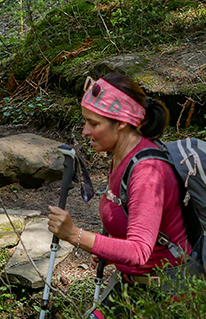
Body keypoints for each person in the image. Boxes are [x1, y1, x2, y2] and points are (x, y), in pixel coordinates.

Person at [46, 72, 192, 296]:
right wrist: (109, 248)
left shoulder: (147, 172)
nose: (85, 131)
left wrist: (73, 234)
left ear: (122, 123)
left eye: (94, 123)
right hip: (133, 284)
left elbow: (139, 251)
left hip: (165, 294)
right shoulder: (122, 155)